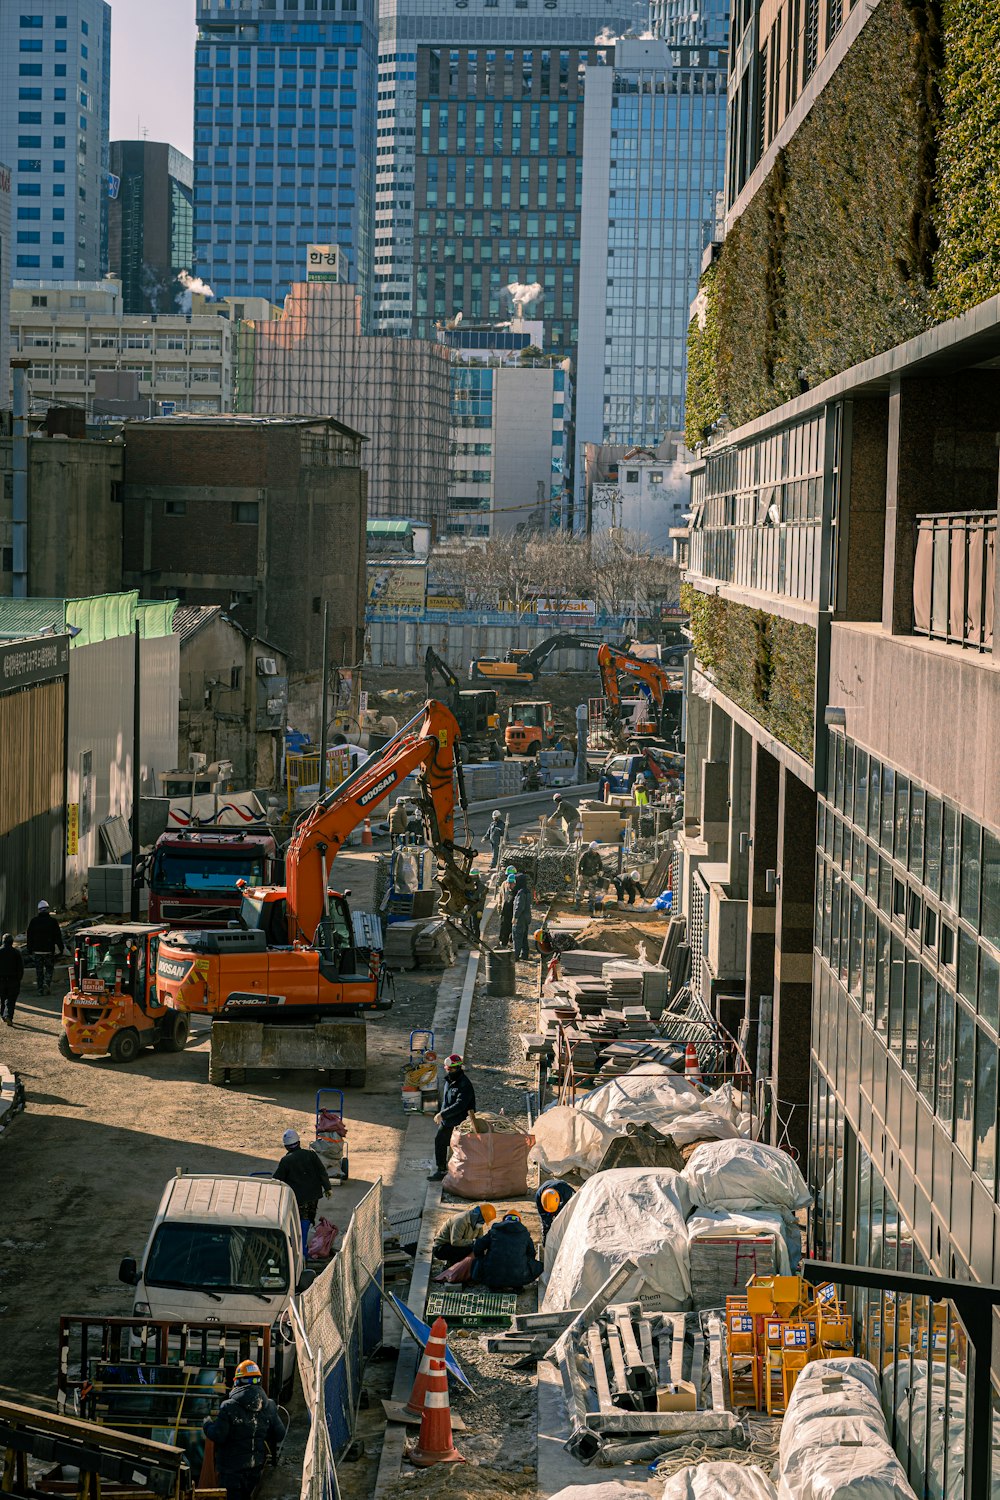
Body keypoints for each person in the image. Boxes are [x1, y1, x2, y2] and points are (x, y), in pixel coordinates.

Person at [203, 1359, 286, 1500]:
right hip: (255, 1469)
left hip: (231, 1472)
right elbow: (279, 1435)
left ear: (237, 1382)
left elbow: (218, 1435)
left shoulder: (228, 1407)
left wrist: (207, 1425)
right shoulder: (269, 1405)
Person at [273, 1128, 332, 1254]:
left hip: (298, 1198)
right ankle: (303, 1248)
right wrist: (327, 1188)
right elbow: (321, 1171)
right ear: (299, 1142)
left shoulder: (286, 1161)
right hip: (313, 1196)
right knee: (307, 1220)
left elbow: (277, 1179)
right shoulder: (310, 1154)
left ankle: (301, 1252)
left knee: (299, 1222)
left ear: (286, 1147)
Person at [428, 1053, 476, 1182]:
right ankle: (442, 1169)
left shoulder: (464, 1084)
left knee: (459, 1147)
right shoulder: (449, 1081)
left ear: (458, 1068)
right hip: (448, 1120)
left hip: (459, 1122)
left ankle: (458, 1172)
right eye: (447, 1069)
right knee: (440, 1142)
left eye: (451, 1069)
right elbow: (446, 1101)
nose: (449, 1071)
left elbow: (460, 1105)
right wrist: (441, 1113)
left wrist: (443, 1114)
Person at [471, 1212, 543, 1290]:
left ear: (504, 1220)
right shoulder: (524, 1234)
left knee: (476, 1262)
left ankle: (494, 1285)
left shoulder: (494, 1231)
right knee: (539, 1266)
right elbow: (531, 1253)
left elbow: (478, 1246)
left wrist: (482, 1257)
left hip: (492, 1277)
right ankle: (517, 1285)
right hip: (519, 1276)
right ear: (519, 1221)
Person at [432, 1202, 496, 1265]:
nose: (483, 1223)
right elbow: (455, 1242)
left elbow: (480, 1239)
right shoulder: (460, 1220)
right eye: (483, 1221)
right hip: (441, 1248)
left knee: (477, 1249)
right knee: (468, 1250)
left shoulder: (477, 1223)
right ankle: (451, 1267)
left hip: (455, 1246)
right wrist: (473, 1242)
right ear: (478, 1217)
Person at [25, 900, 64, 996]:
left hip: (37, 951)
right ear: (48, 910)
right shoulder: (53, 922)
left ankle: (40, 989)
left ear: (38, 910)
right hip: (49, 950)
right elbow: (58, 937)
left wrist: (29, 949)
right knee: (49, 968)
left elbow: (29, 936)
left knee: (39, 971)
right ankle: (46, 983)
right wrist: (61, 948)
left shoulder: (34, 921)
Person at [0, 934, 25, 1028]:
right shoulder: (16, 953)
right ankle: (8, 1016)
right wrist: (19, 979)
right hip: (13, 979)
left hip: (1, 979)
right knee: (11, 999)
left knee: (3, 998)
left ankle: (3, 1014)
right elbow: (20, 968)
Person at [575, 842, 606, 911]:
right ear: (590, 849)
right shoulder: (585, 855)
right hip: (584, 875)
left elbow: (600, 864)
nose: (594, 851)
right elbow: (580, 865)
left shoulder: (597, 855)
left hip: (593, 876)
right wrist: (579, 874)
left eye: (596, 850)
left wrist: (600, 870)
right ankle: (577, 904)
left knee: (592, 892)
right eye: (593, 850)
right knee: (580, 890)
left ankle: (591, 906)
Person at [512, 882, 533, 960]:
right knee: (524, 937)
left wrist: (515, 917)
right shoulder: (527, 891)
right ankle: (525, 955)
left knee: (517, 937)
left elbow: (519, 906)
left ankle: (516, 956)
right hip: (526, 918)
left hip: (520, 919)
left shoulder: (520, 893)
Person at [498, 870, 518, 947]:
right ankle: (503, 942)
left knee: (510, 928)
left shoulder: (516, 892)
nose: (509, 884)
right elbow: (501, 897)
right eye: (508, 883)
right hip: (505, 912)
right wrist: (500, 908)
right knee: (504, 927)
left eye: (511, 883)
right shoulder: (504, 885)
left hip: (511, 913)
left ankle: (510, 941)